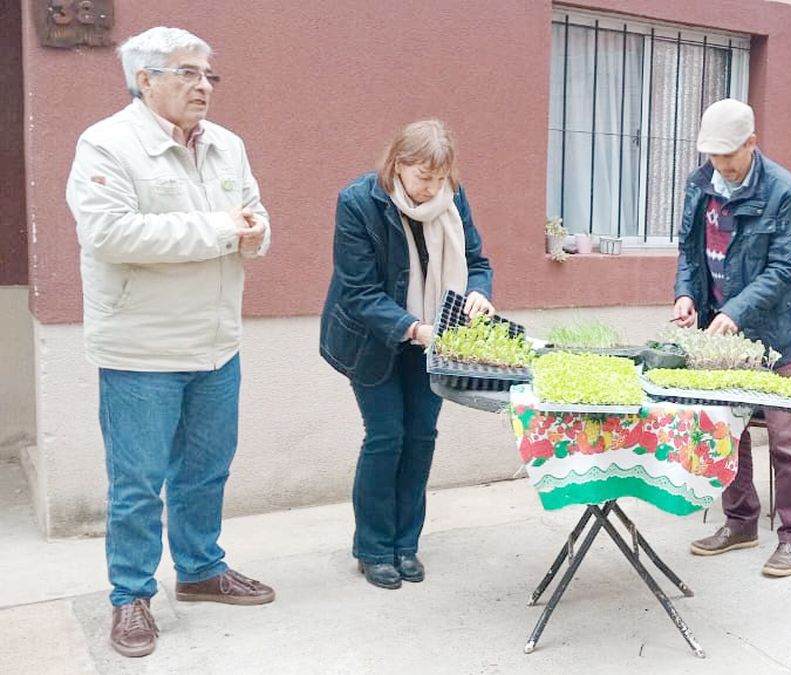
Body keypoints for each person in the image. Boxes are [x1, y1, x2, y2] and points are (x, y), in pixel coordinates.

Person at [65, 26, 274, 658]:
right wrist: (221, 229)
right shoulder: (105, 144)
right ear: (145, 78)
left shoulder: (227, 146)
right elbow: (112, 235)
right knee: (136, 483)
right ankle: (130, 596)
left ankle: (201, 570)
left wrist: (255, 233)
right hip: (141, 349)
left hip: (217, 342)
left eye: (209, 74)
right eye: (188, 72)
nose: (203, 86)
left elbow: (255, 215)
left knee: (206, 471)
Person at [319, 120, 494, 590]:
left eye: (439, 179)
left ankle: (406, 544)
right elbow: (359, 291)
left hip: (436, 335)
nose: (431, 189)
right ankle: (374, 548)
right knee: (386, 436)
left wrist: (478, 293)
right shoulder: (358, 202)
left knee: (421, 436)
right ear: (398, 164)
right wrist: (413, 328)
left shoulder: (453, 197)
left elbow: (477, 262)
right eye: (422, 178)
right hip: (374, 340)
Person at [677, 99, 791, 577]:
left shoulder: (783, 189)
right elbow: (689, 250)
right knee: (728, 435)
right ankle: (740, 523)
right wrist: (686, 296)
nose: (720, 166)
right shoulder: (700, 184)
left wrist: (735, 310)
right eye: (712, 156)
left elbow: (784, 268)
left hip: (775, 336)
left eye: (728, 156)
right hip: (723, 334)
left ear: (751, 144)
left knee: (786, 440)